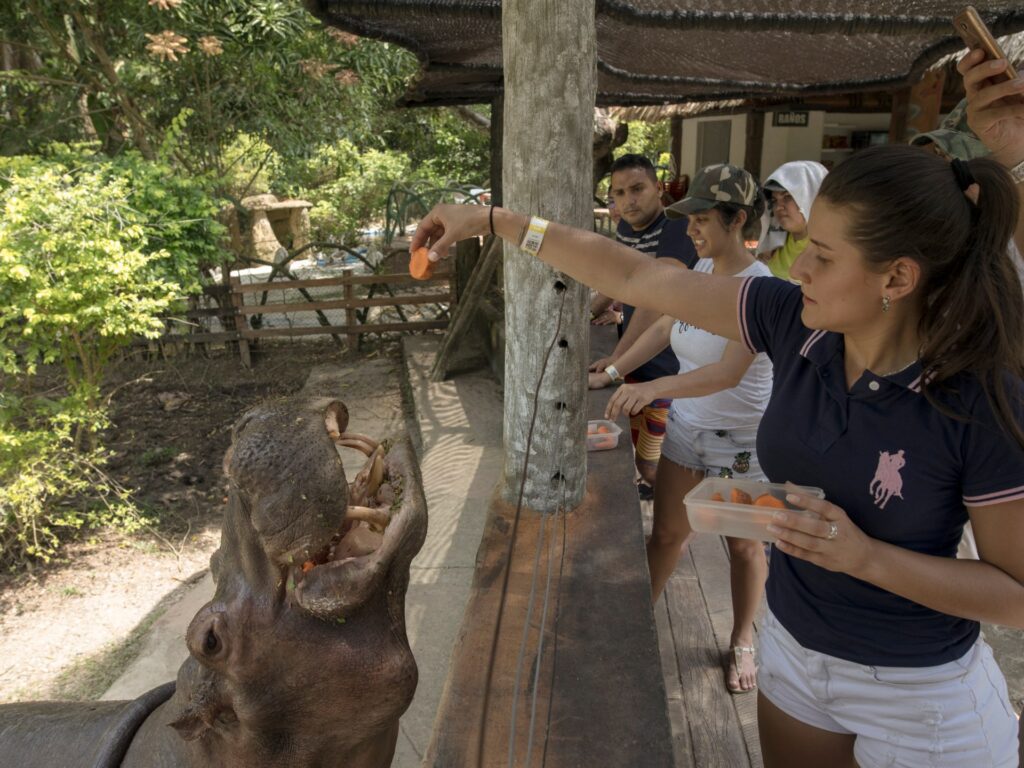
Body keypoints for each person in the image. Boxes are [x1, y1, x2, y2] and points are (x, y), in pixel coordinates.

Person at [412, 130, 1024, 764]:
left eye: (822, 255)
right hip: (794, 653)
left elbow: (1016, 593)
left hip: (916, 693)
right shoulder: (794, 323)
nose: (800, 268)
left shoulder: (979, 397)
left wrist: (866, 558)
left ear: (896, 276)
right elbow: (637, 275)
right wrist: (494, 220)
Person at [591, 164, 772, 693]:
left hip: (741, 443)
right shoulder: (701, 270)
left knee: (743, 548)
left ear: (736, 220)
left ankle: (742, 638)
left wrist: (653, 388)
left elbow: (728, 373)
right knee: (668, 534)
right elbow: (667, 323)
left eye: (702, 218)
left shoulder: (760, 289)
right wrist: (613, 372)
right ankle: (635, 625)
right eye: (688, 218)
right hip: (688, 431)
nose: (691, 229)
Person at [588, 153, 698, 498]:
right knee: (638, 450)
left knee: (652, 461)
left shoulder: (677, 227)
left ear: (659, 188)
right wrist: (585, 314)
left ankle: (677, 510)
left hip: (668, 368)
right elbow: (621, 281)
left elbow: (655, 299)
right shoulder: (625, 229)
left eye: (637, 189)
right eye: (619, 193)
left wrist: (616, 362)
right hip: (637, 362)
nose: (628, 201)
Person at [755, 160, 828, 282]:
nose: (778, 207)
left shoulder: (829, 252)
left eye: (787, 197)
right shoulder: (772, 248)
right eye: (774, 200)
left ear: (812, 197)